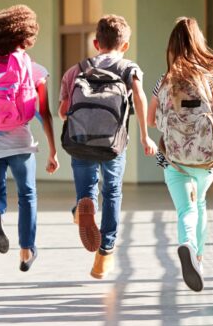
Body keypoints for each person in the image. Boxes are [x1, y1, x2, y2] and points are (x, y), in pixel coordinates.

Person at [59, 14, 158, 279]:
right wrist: (145, 137)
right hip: (114, 143)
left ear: (95, 42)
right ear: (125, 45)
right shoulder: (128, 68)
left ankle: (84, 206)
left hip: (80, 142)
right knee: (112, 192)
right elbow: (139, 97)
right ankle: (104, 253)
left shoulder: (76, 70)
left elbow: (62, 112)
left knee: (87, 188)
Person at [147, 17, 213, 292]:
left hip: (174, 159)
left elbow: (152, 119)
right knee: (199, 203)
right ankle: (198, 258)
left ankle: (187, 244)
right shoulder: (211, 77)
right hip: (207, 158)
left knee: (185, 209)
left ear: (172, 46)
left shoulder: (164, 80)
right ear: (198, 42)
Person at [0, 5, 59, 272]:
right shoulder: (33, 68)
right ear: (22, 37)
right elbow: (45, 113)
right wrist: (52, 151)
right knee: (27, 194)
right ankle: (26, 249)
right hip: (20, 142)